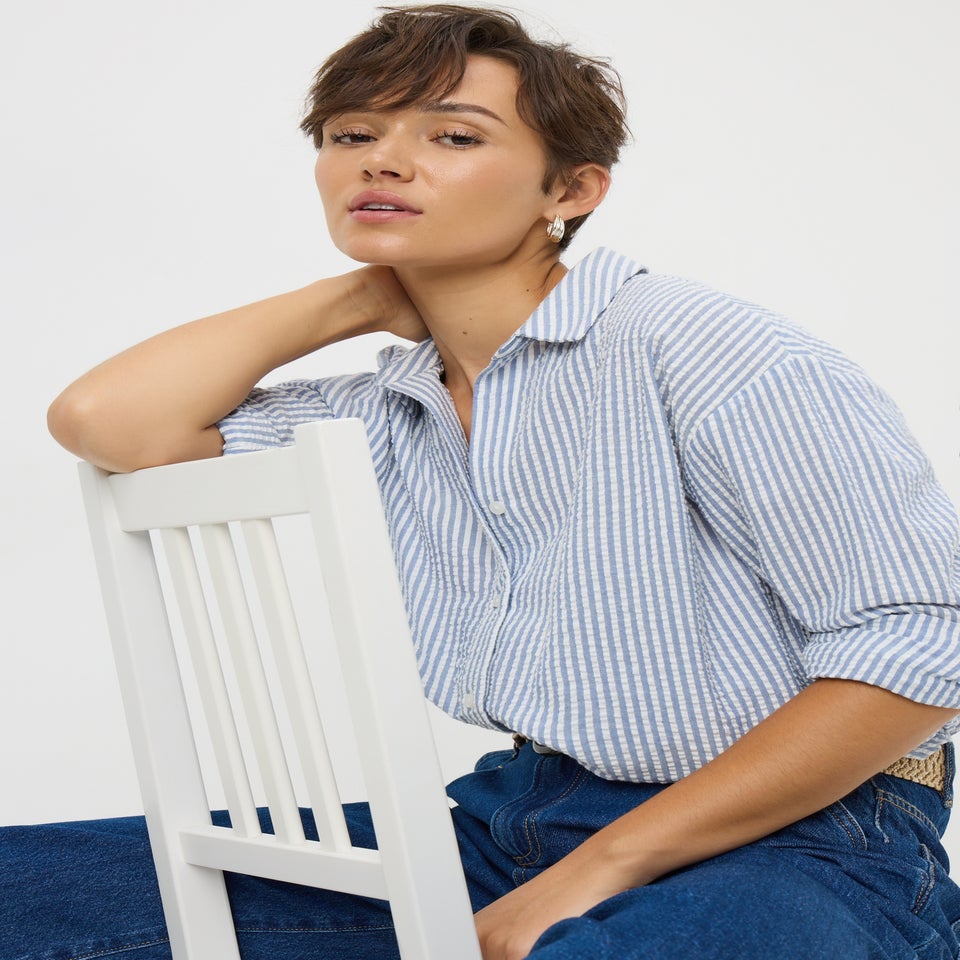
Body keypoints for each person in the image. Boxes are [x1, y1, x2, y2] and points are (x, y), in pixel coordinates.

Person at [10, 3, 960, 958]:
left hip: (804, 833)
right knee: (26, 893)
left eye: (454, 135)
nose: (381, 160)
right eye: (353, 135)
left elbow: (923, 639)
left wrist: (596, 872)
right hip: (510, 817)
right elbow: (107, 423)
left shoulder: (699, 346)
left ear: (573, 190)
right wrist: (358, 296)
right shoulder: (385, 410)